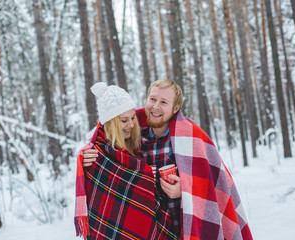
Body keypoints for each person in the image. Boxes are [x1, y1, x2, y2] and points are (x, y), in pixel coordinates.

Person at [82, 79, 253, 240]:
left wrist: (185, 190)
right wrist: (85, 154)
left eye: (163, 102)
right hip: (150, 227)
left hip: (183, 226)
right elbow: (106, 135)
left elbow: (214, 186)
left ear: (176, 108)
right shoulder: (134, 135)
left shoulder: (193, 137)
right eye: (152, 99)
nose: (155, 107)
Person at [75, 82, 176, 240]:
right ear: (111, 122)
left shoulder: (134, 145)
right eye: (123, 120)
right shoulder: (96, 157)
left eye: (133, 117)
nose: (131, 124)